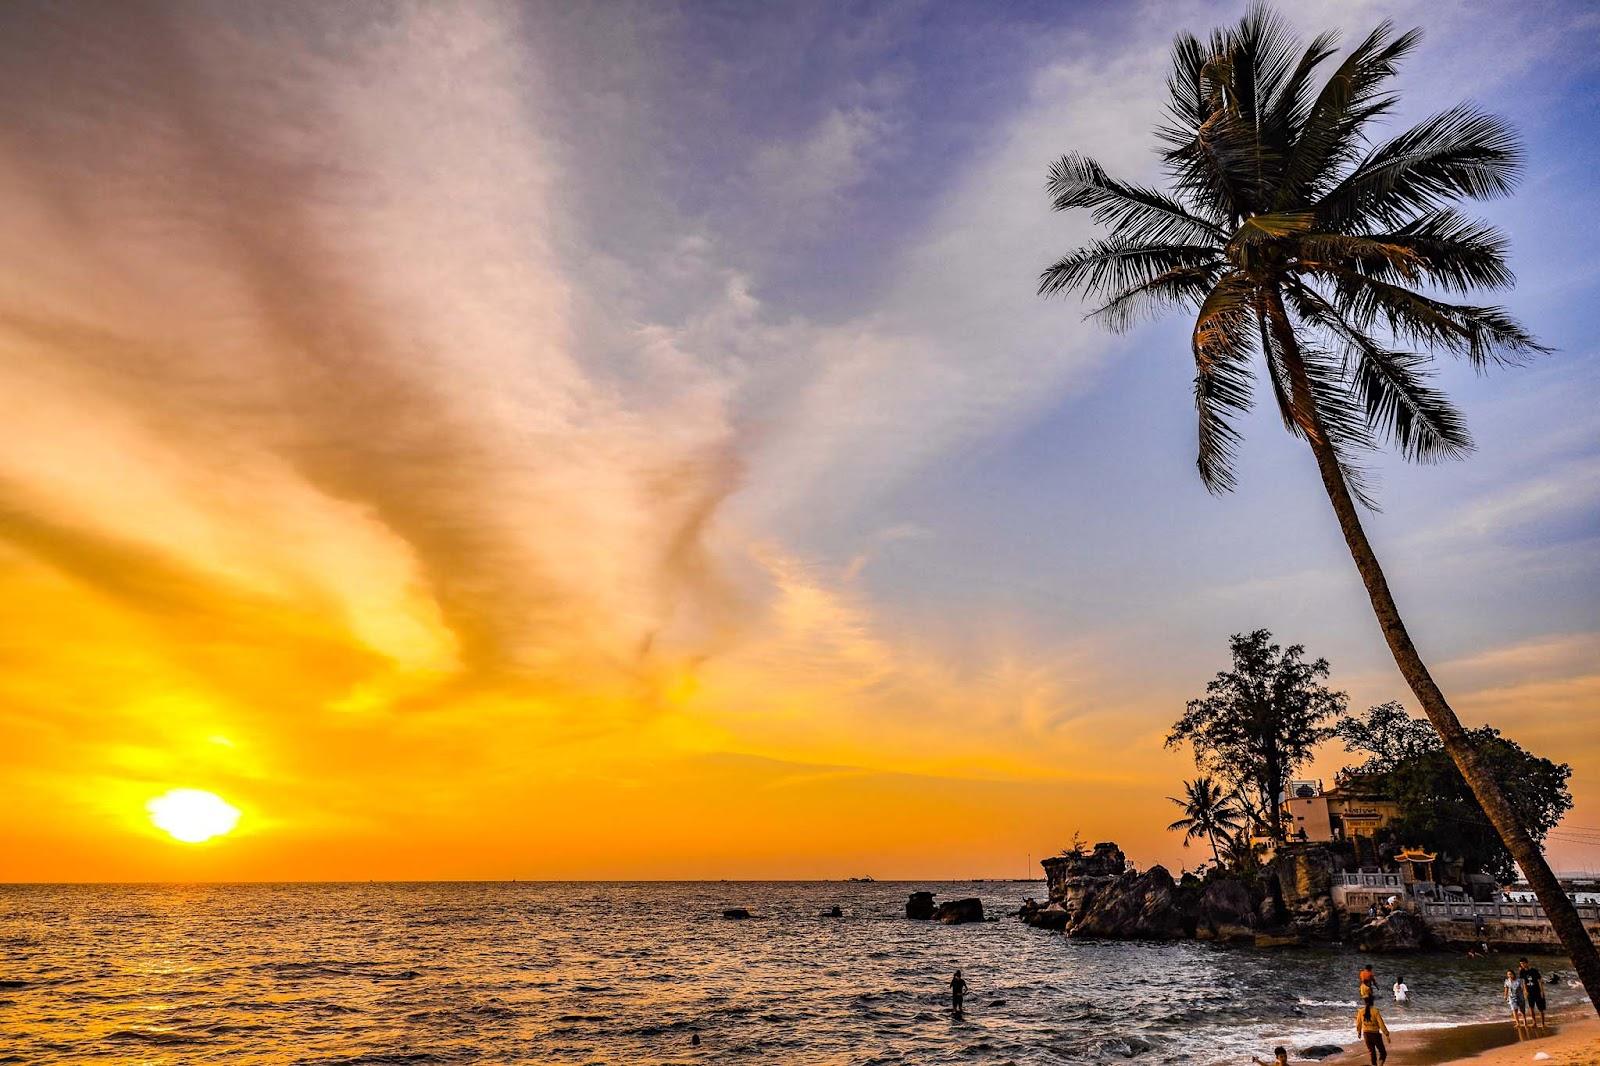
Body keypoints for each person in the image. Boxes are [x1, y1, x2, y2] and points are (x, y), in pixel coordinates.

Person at [1356, 995, 1390, 1065]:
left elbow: (1358, 1023)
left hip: (1366, 1034)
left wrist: (1359, 1032)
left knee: (1372, 1053)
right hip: (1375, 1034)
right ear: (1372, 1002)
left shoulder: (1360, 1011)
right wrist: (1386, 1034)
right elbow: (1381, 1024)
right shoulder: (1375, 1011)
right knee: (1383, 1053)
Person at [1518, 958, 1546, 1029]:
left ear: (1527, 963)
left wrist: (1542, 991)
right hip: (1529, 992)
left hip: (1537, 991)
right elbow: (1523, 981)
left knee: (1541, 1008)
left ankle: (1543, 1024)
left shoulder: (1534, 970)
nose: (1522, 965)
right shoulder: (1522, 971)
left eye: (1523, 963)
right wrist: (1525, 991)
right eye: (1521, 964)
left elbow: (1539, 981)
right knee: (1531, 1008)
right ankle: (1534, 1023)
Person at [1504, 968, 1528, 1034]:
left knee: (1522, 1010)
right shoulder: (1507, 981)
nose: (1509, 975)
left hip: (1520, 997)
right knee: (1514, 1010)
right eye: (1508, 974)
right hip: (1512, 998)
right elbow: (1506, 988)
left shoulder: (1518, 980)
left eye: (1511, 974)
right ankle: (1518, 1023)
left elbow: (1523, 987)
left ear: (1513, 974)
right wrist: (1505, 996)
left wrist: (1525, 993)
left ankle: (1525, 1022)